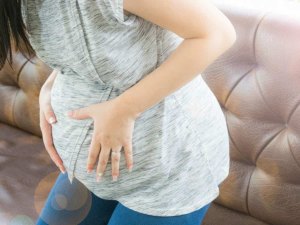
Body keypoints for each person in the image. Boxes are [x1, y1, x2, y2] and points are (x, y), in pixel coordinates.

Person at [0, 0, 236, 224]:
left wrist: (126, 109)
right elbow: (91, 44)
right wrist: (54, 83)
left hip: (166, 167)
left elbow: (216, 33)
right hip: (95, 167)